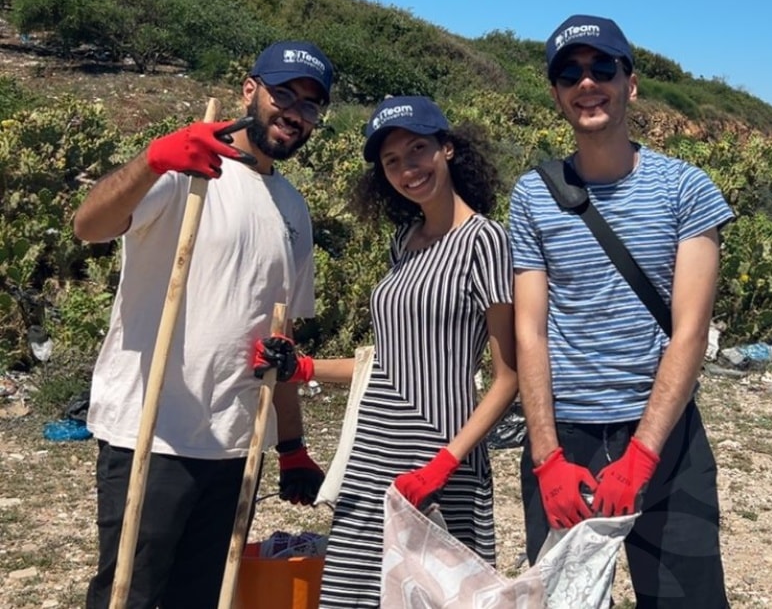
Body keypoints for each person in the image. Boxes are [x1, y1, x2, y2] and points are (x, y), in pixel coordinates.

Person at [74, 40, 334, 609]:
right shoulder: (187, 168)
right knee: (129, 597)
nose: (295, 111)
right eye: (283, 93)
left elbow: (279, 340)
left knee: (203, 598)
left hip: (237, 447)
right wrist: (154, 159)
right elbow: (88, 225)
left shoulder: (293, 208)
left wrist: (290, 445)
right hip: (152, 432)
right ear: (250, 90)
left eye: (311, 105)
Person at [509, 15, 733, 607]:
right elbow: (529, 332)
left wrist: (643, 453)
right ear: (556, 92)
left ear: (630, 83)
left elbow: (689, 332)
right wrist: (545, 457)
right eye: (569, 73)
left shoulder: (688, 190)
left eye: (601, 67)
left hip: (662, 440)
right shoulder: (534, 194)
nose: (587, 83)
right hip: (567, 441)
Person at [261, 95, 517, 608]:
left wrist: (446, 462)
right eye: (392, 161)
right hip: (373, 445)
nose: (407, 169)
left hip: (439, 443)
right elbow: (392, 359)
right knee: (356, 590)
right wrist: (302, 366)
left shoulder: (487, 240)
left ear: (448, 149)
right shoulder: (405, 241)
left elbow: (509, 377)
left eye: (417, 149)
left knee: (437, 593)